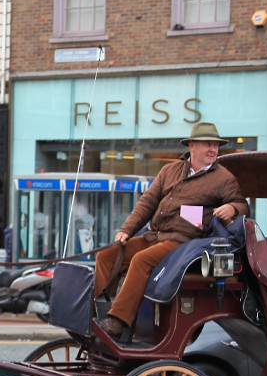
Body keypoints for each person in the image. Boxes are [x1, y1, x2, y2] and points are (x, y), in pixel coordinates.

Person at [94, 123, 249, 343]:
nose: (213, 149)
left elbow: (243, 206)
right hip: (153, 236)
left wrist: (233, 208)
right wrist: (126, 230)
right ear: (192, 146)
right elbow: (147, 202)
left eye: (216, 145)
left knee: (141, 261)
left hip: (182, 243)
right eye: (208, 145)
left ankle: (118, 322)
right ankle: (99, 315)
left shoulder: (224, 178)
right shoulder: (169, 170)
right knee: (107, 257)